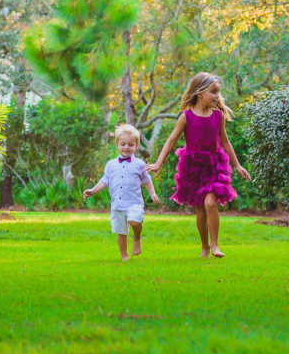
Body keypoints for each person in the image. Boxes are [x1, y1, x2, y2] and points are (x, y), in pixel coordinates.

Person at [146, 72, 251, 258]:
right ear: (200, 92)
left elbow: (225, 142)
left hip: (214, 165)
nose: (217, 96)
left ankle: (215, 244)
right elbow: (171, 141)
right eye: (214, 92)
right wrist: (158, 163)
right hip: (192, 167)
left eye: (218, 92)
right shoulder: (186, 117)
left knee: (210, 203)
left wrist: (237, 165)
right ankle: (204, 247)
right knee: (200, 209)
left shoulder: (218, 116)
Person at [83, 124, 159, 261]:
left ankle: (137, 237)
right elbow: (104, 181)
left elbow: (147, 180)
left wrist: (152, 194)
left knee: (135, 221)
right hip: (117, 205)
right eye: (123, 144)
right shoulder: (111, 165)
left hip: (134, 203)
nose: (126, 147)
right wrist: (93, 190)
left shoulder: (139, 164)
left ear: (136, 145)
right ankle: (124, 256)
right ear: (117, 144)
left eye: (130, 144)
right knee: (121, 232)